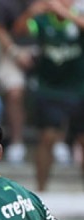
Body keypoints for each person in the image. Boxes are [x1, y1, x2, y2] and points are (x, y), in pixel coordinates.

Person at [14, 0, 84, 191]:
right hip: (49, 88)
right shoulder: (44, 21)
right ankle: (41, 190)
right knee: (47, 137)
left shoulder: (78, 18)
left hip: (79, 88)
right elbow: (19, 30)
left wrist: (65, 12)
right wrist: (30, 12)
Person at [0, 0, 38, 164]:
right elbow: (3, 30)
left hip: (47, 50)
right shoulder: (3, 3)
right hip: (12, 51)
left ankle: (60, 142)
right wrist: (16, 54)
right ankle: (17, 142)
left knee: (63, 82)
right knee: (15, 91)